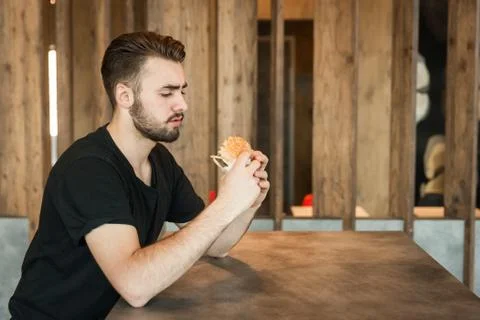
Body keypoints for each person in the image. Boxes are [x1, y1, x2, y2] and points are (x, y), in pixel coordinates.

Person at [9, 31, 270, 319]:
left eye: (182, 91)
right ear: (125, 96)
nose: (182, 104)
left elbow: (214, 246)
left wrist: (249, 201)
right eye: (166, 93)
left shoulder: (159, 161)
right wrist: (224, 204)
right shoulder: (87, 169)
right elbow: (135, 285)